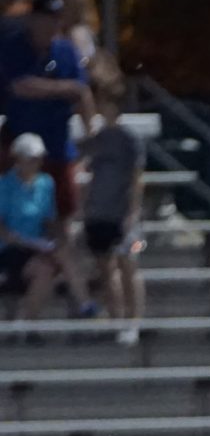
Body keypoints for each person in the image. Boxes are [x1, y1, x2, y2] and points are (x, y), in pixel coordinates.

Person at [1, 0, 88, 243]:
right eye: (45, 19)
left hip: (57, 146)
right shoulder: (13, 47)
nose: (50, 26)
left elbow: (82, 91)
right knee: (13, 209)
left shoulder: (66, 51)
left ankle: (59, 267)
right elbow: (19, 86)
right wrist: (64, 88)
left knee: (64, 213)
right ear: (31, 20)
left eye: (55, 20)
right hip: (20, 146)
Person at [75, 76, 141, 342]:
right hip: (97, 212)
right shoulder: (98, 138)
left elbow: (137, 177)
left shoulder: (128, 139)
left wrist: (133, 212)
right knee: (105, 266)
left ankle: (133, 320)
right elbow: (83, 165)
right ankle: (116, 319)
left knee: (128, 264)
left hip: (122, 213)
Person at [0, 132, 62, 319]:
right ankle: (27, 323)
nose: (36, 163)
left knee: (48, 266)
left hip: (35, 247)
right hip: (9, 248)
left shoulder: (46, 183)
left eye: (38, 159)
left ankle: (29, 321)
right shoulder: (4, 184)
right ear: (18, 158)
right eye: (31, 159)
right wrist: (16, 238)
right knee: (44, 268)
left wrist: (53, 238)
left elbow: (49, 219)